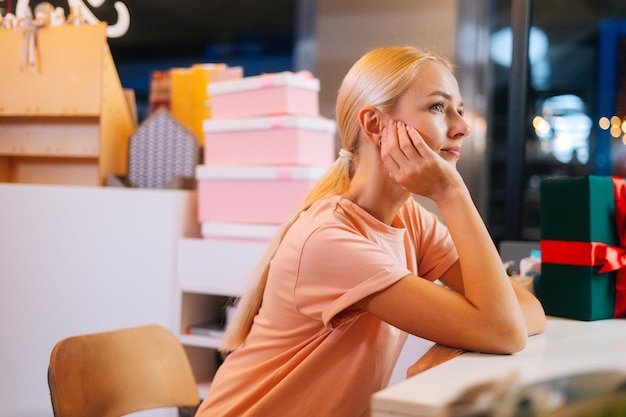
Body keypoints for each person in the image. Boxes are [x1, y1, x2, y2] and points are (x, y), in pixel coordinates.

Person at [195, 46, 546, 417]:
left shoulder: (411, 220)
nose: (462, 127)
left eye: (458, 108)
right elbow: (505, 330)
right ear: (376, 125)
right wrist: (452, 193)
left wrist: (455, 342)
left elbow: (525, 312)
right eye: (438, 107)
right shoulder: (330, 239)